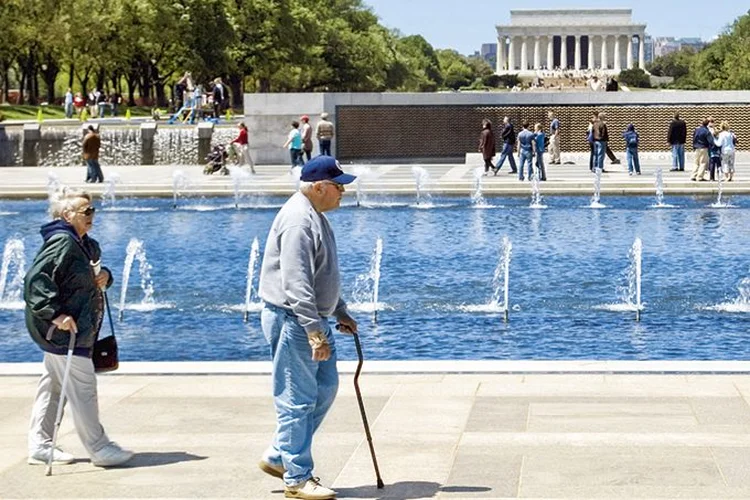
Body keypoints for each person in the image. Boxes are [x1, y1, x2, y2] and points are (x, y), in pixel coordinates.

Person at [257, 155, 358, 500]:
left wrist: (340, 310)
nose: (343, 192)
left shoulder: (316, 215)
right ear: (318, 187)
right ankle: (297, 478)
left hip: (311, 319)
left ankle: (277, 455)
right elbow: (296, 283)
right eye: (338, 185)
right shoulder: (299, 221)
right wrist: (314, 331)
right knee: (296, 400)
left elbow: (321, 275)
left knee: (326, 388)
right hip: (295, 322)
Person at [24, 187, 133, 468]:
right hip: (64, 332)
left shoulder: (83, 243)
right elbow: (36, 281)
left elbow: (93, 275)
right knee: (83, 388)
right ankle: (99, 448)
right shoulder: (62, 242)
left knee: (54, 385)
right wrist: (55, 314)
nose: (92, 215)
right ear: (67, 214)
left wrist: (106, 277)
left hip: (70, 330)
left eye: (93, 210)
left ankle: (40, 444)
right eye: (86, 211)